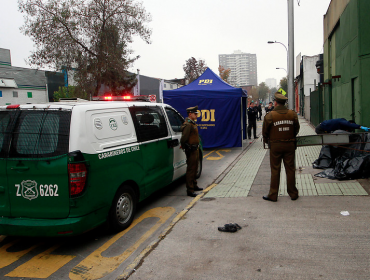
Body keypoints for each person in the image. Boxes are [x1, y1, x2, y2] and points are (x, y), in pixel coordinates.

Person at [262, 92, 300, 202]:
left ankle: (273, 195)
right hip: (290, 145)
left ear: (276, 103)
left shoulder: (270, 116)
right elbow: (296, 129)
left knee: (275, 170)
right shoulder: (292, 114)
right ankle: (293, 193)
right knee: (290, 169)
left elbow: (265, 132)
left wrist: (266, 141)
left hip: (275, 145)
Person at [181, 106, 203, 197]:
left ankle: (194, 185)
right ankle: (190, 190)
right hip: (191, 150)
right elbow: (184, 138)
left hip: (195, 149)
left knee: (195, 168)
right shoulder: (188, 125)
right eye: (195, 114)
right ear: (190, 114)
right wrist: (186, 147)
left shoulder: (193, 123)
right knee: (191, 169)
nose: (196, 115)